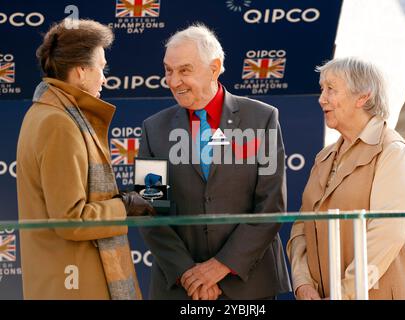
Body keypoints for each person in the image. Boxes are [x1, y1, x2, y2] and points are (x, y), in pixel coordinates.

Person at [138, 23, 291, 300]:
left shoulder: (262, 119)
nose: (173, 81)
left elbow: (271, 205)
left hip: (248, 287)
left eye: (184, 70)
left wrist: (221, 266)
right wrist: (189, 274)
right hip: (180, 289)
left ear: (214, 67)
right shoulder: (153, 129)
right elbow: (148, 211)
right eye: (168, 70)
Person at [16, 19, 155, 300]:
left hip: (66, 278)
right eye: (101, 67)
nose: (104, 77)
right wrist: (125, 206)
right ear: (80, 71)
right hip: (75, 283)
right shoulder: (60, 123)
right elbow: (72, 219)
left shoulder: (47, 113)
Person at [287, 57, 405, 300]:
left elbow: (387, 234)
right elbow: (301, 226)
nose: (321, 98)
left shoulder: (392, 152)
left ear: (363, 97)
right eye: (322, 89)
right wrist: (302, 283)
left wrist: (344, 293)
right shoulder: (324, 157)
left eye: (331, 89)